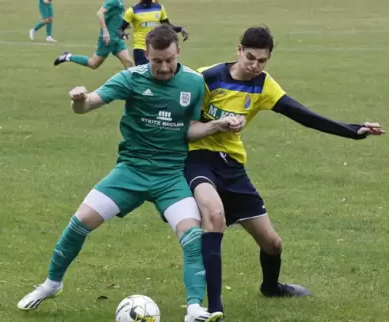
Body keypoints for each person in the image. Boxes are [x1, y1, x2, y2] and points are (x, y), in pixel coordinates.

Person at [17, 25, 236, 322]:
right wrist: (79, 100)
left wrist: (216, 126)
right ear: (146, 54)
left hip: (170, 176)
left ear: (178, 52)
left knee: (192, 235)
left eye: (169, 59)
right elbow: (89, 104)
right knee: (80, 221)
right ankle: (51, 284)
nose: (163, 67)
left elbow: (190, 129)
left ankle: (195, 307)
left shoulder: (194, 83)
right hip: (131, 171)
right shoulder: (130, 78)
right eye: (156, 60)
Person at [185, 26, 386, 317]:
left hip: (233, 165)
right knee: (214, 217)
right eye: (250, 57)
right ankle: (213, 307)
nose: (255, 65)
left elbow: (303, 115)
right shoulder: (206, 78)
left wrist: (353, 130)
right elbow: (181, 120)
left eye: (262, 60)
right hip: (198, 159)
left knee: (273, 244)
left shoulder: (264, 85)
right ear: (239, 50)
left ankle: (271, 287)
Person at [53, 0, 133, 69]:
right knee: (93, 64)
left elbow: (116, 16)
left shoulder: (120, 1)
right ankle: (68, 57)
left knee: (129, 63)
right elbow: (100, 13)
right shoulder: (113, 0)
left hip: (117, 38)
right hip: (108, 38)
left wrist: (123, 30)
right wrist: (105, 32)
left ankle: (133, 85)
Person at [119, 0, 189, 66]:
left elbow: (168, 26)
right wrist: (122, 34)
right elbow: (120, 28)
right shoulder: (133, 11)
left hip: (155, 48)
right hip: (140, 49)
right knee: (144, 76)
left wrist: (181, 29)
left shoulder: (159, 8)